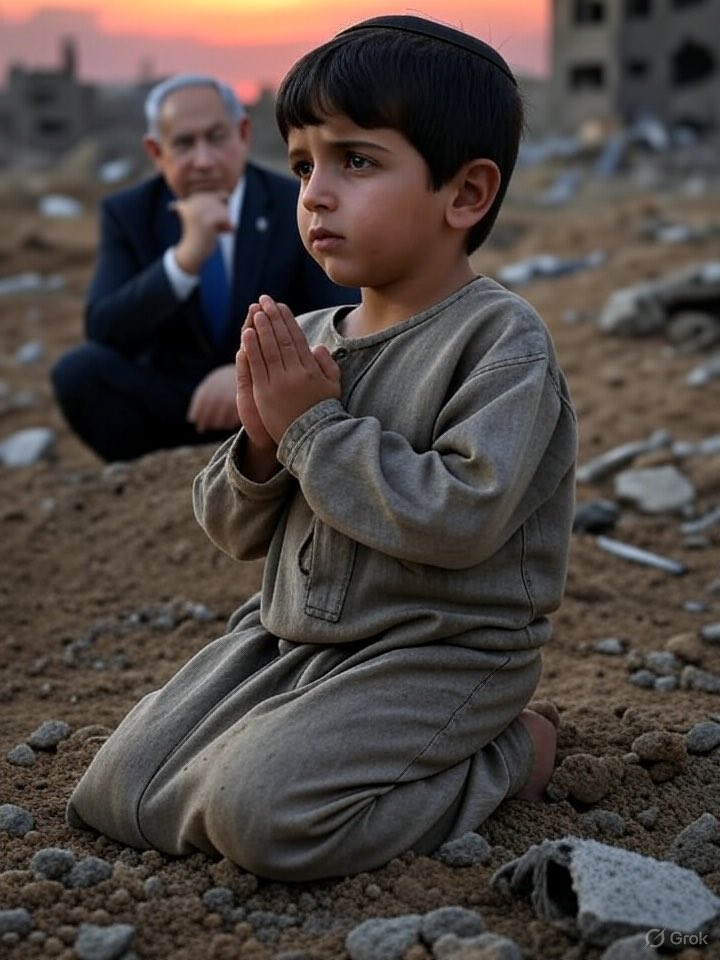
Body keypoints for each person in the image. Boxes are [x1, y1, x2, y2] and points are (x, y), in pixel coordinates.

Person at [67, 15, 577, 881]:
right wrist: (263, 446)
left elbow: (460, 519)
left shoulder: (500, 343)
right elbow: (234, 531)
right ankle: (291, 751)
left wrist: (310, 428)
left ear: (465, 194)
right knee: (116, 791)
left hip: (437, 653)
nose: (313, 192)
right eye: (303, 164)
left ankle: (507, 756)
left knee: (265, 820)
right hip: (291, 640)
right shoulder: (310, 339)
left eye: (356, 161)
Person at [51, 73, 354, 462]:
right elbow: (104, 328)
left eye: (216, 137)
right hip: (178, 400)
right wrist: (184, 260)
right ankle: (151, 479)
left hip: (273, 400)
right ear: (156, 152)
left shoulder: (295, 205)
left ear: (242, 134)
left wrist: (247, 373)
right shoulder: (128, 213)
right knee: (79, 372)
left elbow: (339, 316)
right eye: (183, 144)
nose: (204, 160)